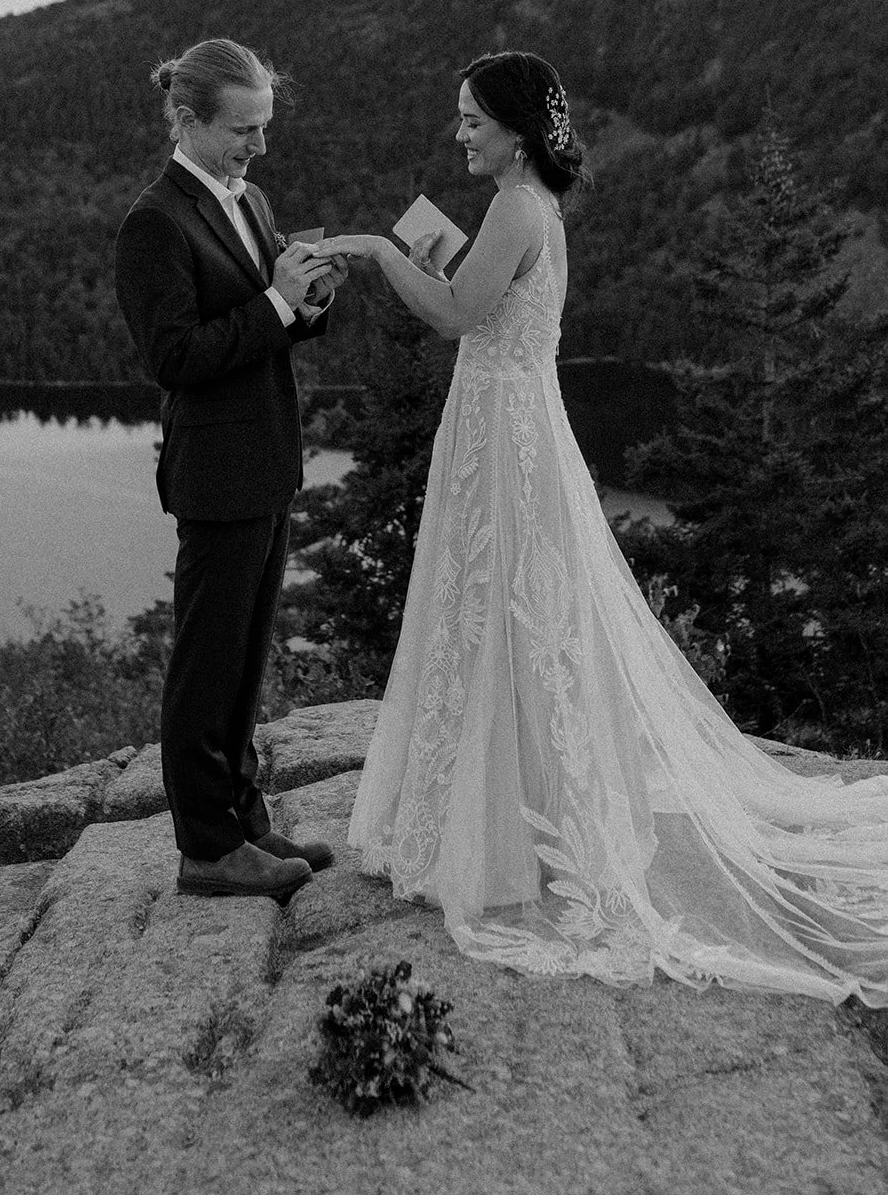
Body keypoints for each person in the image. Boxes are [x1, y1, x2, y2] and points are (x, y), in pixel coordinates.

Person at [316, 50, 888, 1004]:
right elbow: (488, 292)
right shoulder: (531, 206)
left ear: (513, 130)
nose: (458, 134)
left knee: (501, 605)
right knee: (512, 608)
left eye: (469, 120)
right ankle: (514, 811)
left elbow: (461, 316)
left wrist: (380, 251)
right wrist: (431, 244)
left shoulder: (516, 204)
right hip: (513, 420)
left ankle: (505, 831)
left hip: (503, 432)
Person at [115, 38, 347, 901]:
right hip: (216, 473)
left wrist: (307, 300)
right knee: (206, 664)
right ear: (187, 120)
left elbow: (265, 326)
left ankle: (244, 821)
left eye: (265, 126)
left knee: (245, 657)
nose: (259, 145)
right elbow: (174, 357)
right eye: (243, 129)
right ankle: (206, 848)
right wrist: (278, 301)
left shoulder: (249, 202)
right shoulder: (155, 222)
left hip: (266, 462)